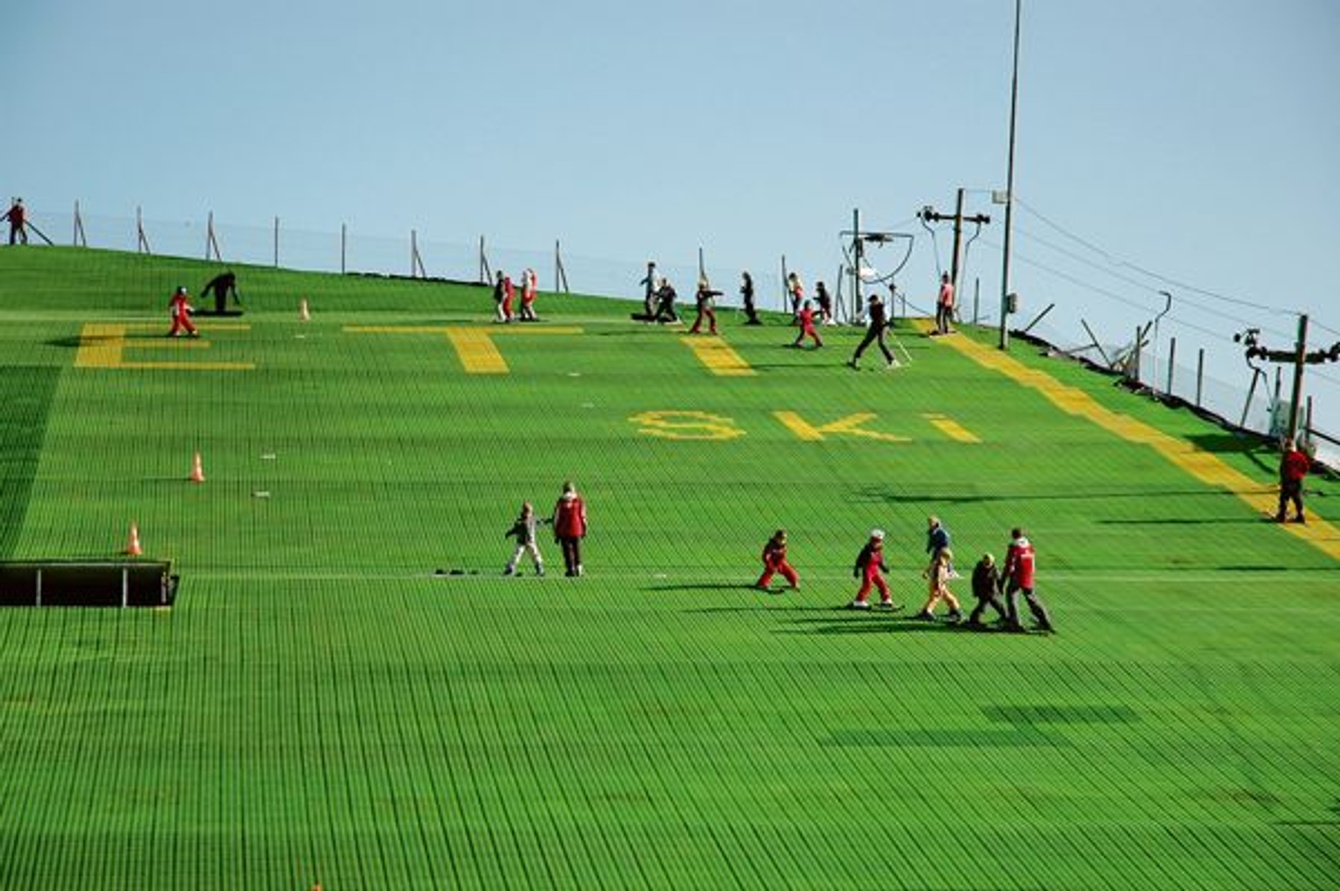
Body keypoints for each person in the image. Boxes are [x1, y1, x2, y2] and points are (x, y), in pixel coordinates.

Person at [1003, 527, 1054, 633]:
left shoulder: (1014, 546)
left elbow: (1009, 565)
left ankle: (1015, 623)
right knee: (1032, 599)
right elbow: (1033, 561)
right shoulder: (1029, 545)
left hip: (1017, 575)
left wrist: (1002, 581)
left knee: (1011, 597)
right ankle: (1045, 621)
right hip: (1028, 576)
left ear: (1013, 535)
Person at [849, 528, 899, 610]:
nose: (877, 543)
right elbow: (859, 561)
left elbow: (880, 560)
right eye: (875, 541)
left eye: (879, 541)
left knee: (882, 584)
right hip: (867, 570)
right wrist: (856, 570)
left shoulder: (878, 550)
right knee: (868, 585)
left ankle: (886, 600)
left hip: (875, 570)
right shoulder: (866, 551)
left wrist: (883, 568)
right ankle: (859, 601)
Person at [847, 293, 897, 369]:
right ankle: (855, 359)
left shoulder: (883, 306)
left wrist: (887, 322)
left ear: (877, 300)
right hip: (874, 326)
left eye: (873, 301)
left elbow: (887, 317)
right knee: (865, 342)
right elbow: (861, 314)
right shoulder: (869, 307)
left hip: (883, 326)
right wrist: (855, 318)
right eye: (871, 301)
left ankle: (892, 361)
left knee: (881, 343)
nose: (871, 303)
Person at [912, 548, 964, 622]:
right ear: (944, 557)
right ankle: (927, 612)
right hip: (938, 585)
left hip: (937, 584)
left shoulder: (937, 562)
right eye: (948, 559)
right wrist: (939, 587)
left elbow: (929, 569)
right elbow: (938, 577)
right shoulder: (940, 565)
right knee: (934, 599)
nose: (949, 561)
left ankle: (955, 611)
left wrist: (926, 573)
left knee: (950, 598)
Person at [552, 481, 588, 577]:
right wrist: (585, 528)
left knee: (567, 551)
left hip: (564, 530)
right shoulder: (579, 500)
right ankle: (579, 569)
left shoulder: (561, 501)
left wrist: (555, 532)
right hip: (577, 529)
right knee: (577, 550)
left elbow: (556, 518)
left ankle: (570, 569)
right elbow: (583, 516)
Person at [503, 501, 547, 576]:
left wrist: (547, 521)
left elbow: (540, 521)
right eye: (527, 512)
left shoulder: (533, 519)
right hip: (521, 542)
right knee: (517, 555)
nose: (528, 514)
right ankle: (511, 567)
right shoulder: (520, 521)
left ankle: (539, 568)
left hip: (530, 542)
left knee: (535, 554)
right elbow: (515, 530)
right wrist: (509, 533)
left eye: (529, 512)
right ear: (523, 512)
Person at [966, 553, 1009, 628]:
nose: (987, 565)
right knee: (984, 606)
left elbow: (998, 580)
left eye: (989, 563)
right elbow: (974, 581)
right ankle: (974, 619)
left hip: (992, 592)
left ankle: (1005, 617)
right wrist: (975, 592)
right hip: (983, 592)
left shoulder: (994, 568)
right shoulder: (978, 569)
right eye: (986, 563)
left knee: (997, 605)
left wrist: (1000, 590)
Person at [1275, 437, 1310, 523]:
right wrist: (1301, 475)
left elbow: (1282, 469)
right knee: (1297, 498)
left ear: (1286, 447)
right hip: (1298, 480)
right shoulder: (1300, 456)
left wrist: (1282, 480)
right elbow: (1306, 467)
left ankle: (1282, 516)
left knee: (1284, 498)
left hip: (1287, 480)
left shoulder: (1286, 456)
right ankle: (1301, 516)